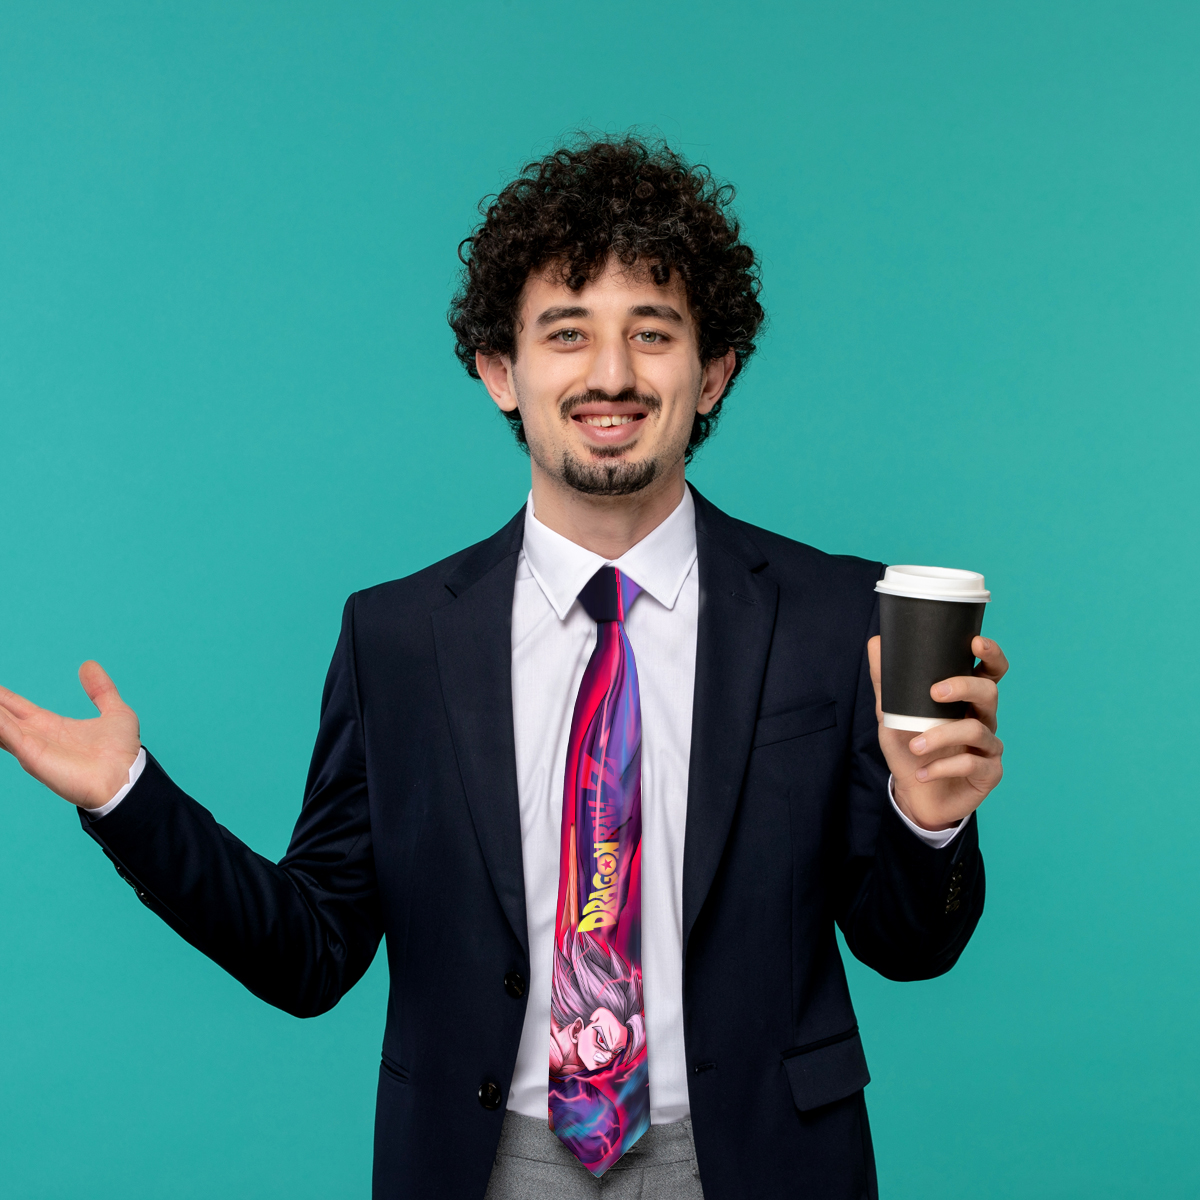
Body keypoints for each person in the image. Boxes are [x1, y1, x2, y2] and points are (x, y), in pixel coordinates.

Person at [0, 135, 1007, 1199]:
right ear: (500, 371)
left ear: (713, 372)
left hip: (760, 1158)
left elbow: (908, 946)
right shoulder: (396, 638)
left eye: (652, 335)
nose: (610, 376)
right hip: (487, 1165)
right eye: (565, 335)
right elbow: (312, 953)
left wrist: (930, 818)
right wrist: (128, 796)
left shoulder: (836, 614)